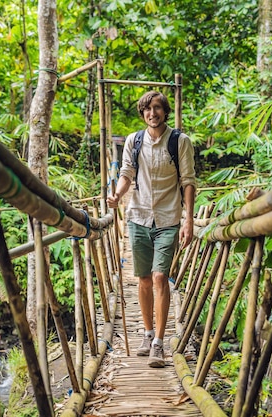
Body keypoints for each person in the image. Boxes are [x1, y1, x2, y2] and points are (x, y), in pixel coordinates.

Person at [107, 90, 196, 368]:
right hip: (138, 216)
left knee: (160, 277)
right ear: (142, 113)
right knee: (144, 279)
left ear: (164, 111)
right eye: (147, 109)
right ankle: (146, 334)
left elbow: (188, 182)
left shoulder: (180, 142)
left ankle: (158, 342)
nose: (152, 113)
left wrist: (189, 219)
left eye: (157, 108)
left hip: (168, 218)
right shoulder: (134, 141)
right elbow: (126, 175)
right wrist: (117, 196)